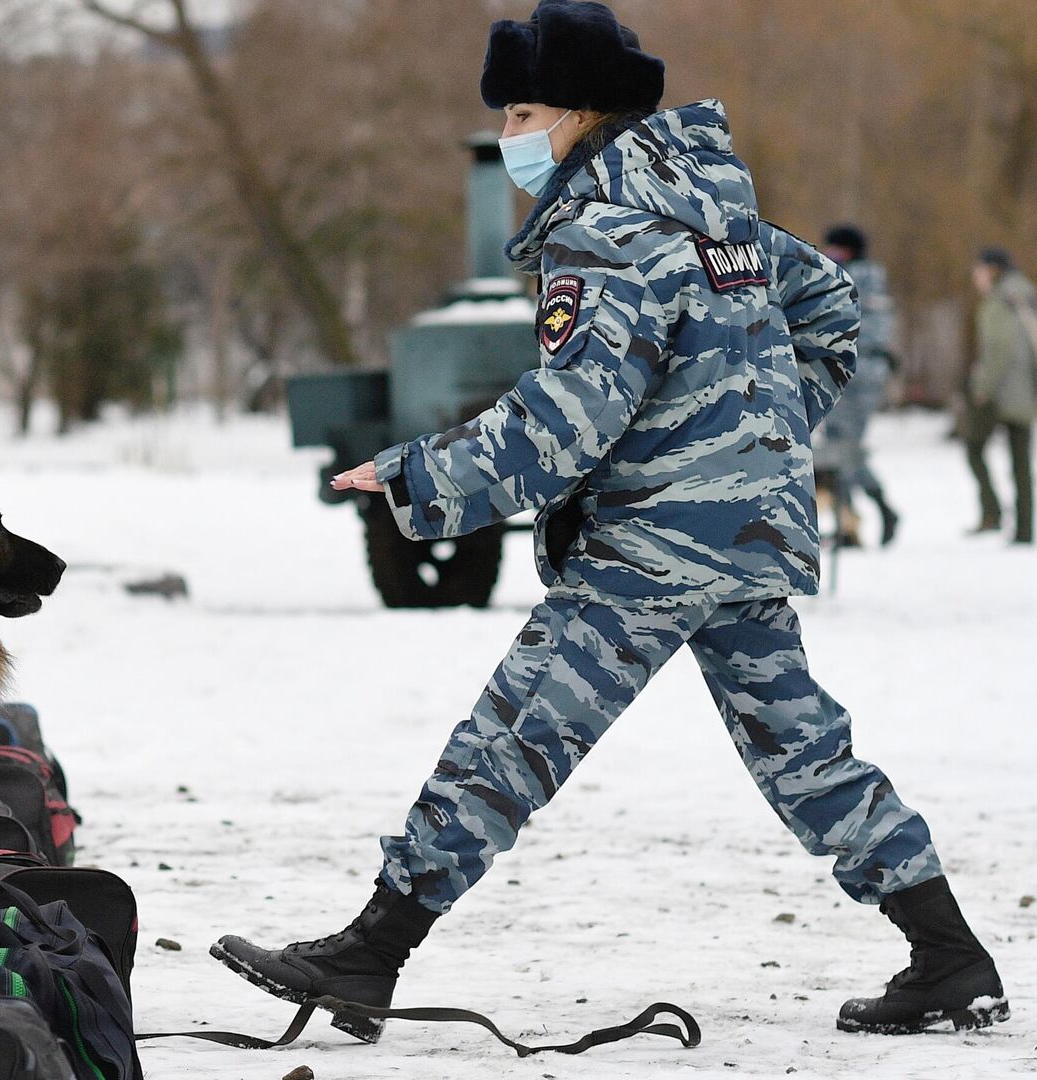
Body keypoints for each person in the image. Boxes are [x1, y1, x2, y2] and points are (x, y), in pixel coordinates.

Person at [213, 0, 1006, 1042]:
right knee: (798, 743)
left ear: (586, 114)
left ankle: (371, 952)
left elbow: (566, 417)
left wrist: (420, 476)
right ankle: (948, 953)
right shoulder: (717, 216)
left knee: (517, 727)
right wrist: (757, 440)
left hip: (658, 544)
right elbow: (828, 307)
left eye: (525, 110)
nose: (510, 136)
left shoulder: (605, 232)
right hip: (740, 532)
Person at [816, 224, 901, 547]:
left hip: (851, 374)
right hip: (866, 374)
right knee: (844, 449)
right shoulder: (872, 280)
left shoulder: (848, 281)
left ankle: (859, 520)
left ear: (846, 250)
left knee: (840, 451)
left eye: (832, 247)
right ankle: (856, 519)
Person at [964, 247, 1036, 545]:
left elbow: (999, 349)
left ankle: (992, 513)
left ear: (991, 270)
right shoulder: (1026, 294)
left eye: (978, 270)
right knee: (1020, 461)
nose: (975, 277)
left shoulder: (999, 300)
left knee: (974, 447)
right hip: (1026, 390)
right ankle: (1024, 528)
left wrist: (983, 388)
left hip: (1002, 392)